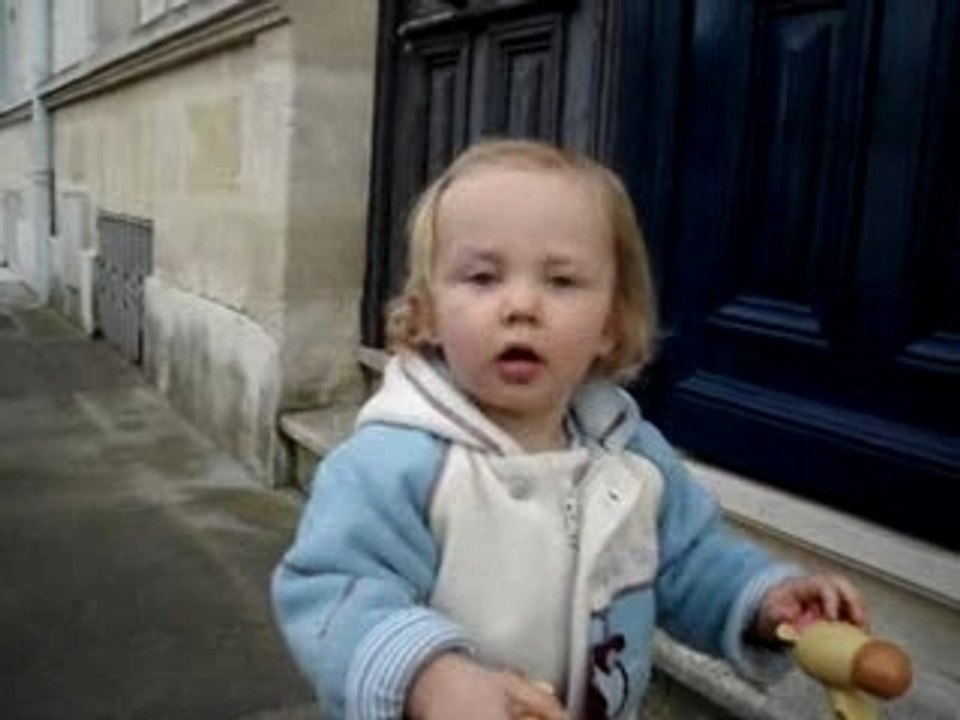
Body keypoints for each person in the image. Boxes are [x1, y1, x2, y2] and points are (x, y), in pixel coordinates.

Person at [271, 139, 867, 720]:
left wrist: (765, 600)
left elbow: (688, 562)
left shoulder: (634, 459)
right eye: (483, 278)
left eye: (561, 281)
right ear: (426, 315)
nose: (522, 305)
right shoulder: (391, 463)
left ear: (611, 323)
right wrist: (427, 678)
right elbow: (332, 590)